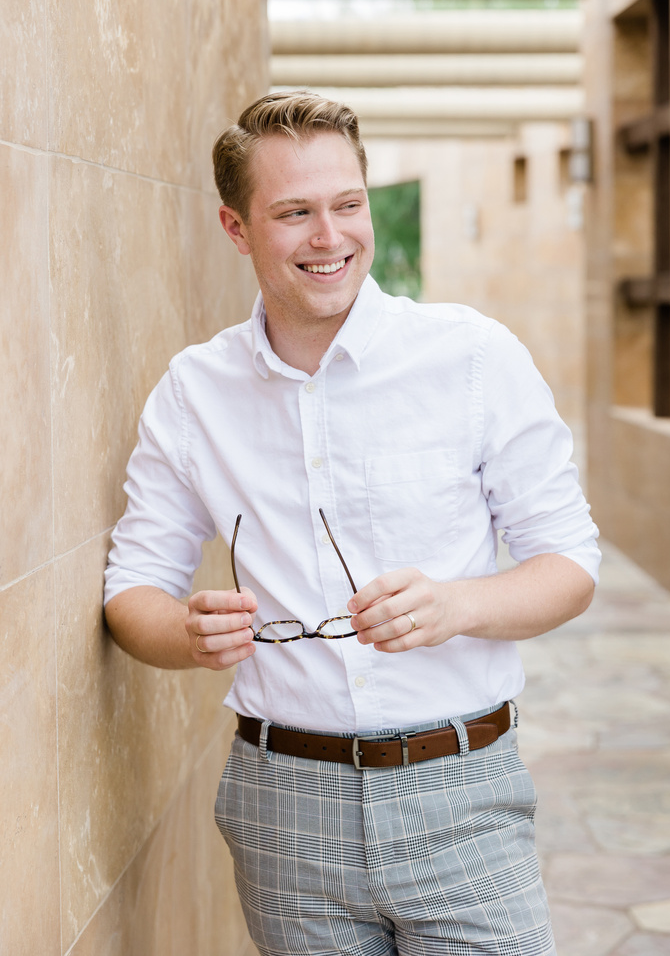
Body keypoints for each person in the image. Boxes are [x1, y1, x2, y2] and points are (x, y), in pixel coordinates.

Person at [104, 90, 600, 956]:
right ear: (236, 227)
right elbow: (129, 590)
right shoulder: (193, 393)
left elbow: (571, 562)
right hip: (282, 806)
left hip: (465, 795)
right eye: (294, 213)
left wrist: (457, 605)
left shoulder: (474, 357)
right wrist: (185, 631)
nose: (330, 237)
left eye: (348, 204)